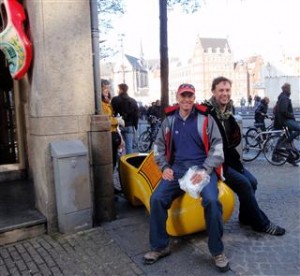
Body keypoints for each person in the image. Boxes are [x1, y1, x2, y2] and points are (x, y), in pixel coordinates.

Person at [143, 83, 230, 272]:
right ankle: (160, 246)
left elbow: (218, 148)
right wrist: (164, 167)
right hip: (176, 170)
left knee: (212, 201)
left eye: (190, 96)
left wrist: (205, 170)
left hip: (201, 170)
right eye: (183, 96)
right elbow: (158, 147)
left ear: (194, 97)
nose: (187, 99)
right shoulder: (169, 121)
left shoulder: (206, 119)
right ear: (178, 97)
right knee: (156, 199)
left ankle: (217, 251)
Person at [204, 76, 285, 237]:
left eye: (227, 90)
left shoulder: (228, 111)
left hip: (231, 159)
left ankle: (245, 216)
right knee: (244, 185)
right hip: (217, 163)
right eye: (221, 90)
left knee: (253, 182)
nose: (225, 94)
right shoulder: (206, 112)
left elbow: (231, 139)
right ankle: (261, 223)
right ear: (213, 91)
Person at [101, 79, 124, 170]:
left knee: (114, 161)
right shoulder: (102, 104)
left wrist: (120, 137)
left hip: (113, 134)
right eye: (104, 88)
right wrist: (116, 120)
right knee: (111, 162)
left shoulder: (107, 102)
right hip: (108, 135)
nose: (107, 90)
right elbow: (105, 119)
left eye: (108, 88)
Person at [111, 83, 139, 154]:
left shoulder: (115, 100)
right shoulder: (133, 101)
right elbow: (136, 115)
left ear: (121, 90)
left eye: (118, 89)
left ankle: (120, 162)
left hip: (117, 125)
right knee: (129, 146)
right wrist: (135, 126)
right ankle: (129, 163)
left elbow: (112, 112)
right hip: (129, 125)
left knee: (119, 146)